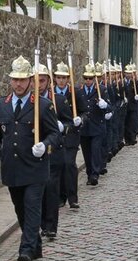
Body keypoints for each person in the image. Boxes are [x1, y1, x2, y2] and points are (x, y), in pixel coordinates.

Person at [0, 56, 60, 261]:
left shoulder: (42, 105)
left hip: (34, 168)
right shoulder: (0, 106)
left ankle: (26, 248)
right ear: (10, 81)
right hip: (12, 168)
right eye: (15, 80)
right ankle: (35, 244)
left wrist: (45, 146)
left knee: (31, 208)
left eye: (23, 80)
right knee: (20, 209)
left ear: (31, 80)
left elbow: (55, 134)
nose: (19, 84)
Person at [35, 63, 73, 240]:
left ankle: (50, 226)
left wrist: (62, 127)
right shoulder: (29, 101)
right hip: (34, 152)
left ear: (48, 81)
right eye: (35, 80)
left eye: (42, 81)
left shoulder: (57, 100)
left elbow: (69, 122)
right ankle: (39, 223)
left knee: (51, 189)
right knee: (37, 191)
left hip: (53, 151)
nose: (39, 84)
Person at [53, 61, 86, 210]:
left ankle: (72, 197)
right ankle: (61, 197)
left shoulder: (75, 93)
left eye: (64, 77)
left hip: (71, 135)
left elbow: (85, 111)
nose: (61, 80)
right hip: (55, 136)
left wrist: (81, 119)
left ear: (68, 79)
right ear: (54, 78)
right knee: (58, 166)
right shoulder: (51, 94)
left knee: (69, 164)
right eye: (58, 77)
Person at [79, 63, 111, 185]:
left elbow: (109, 107)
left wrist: (105, 106)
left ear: (94, 79)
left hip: (97, 125)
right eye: (86, 78)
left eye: (90, 78)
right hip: (84, 127)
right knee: (86, 153)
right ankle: (89, 173)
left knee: (95, 150)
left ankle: (95, 174)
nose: (88, 81)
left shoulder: (101, 90)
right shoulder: (79, 90)